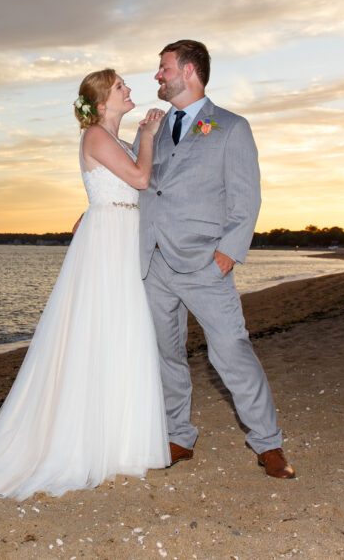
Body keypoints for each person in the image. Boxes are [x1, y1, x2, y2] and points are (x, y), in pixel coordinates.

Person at [0, 69, 169, 500]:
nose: (128, 90)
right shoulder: (95, 136)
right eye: (120, 87)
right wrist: (150, 133)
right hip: (109, 243)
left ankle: (122, 442)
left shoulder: (113, 140)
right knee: (101, 333)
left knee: (121, 334)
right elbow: (141, 179)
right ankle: (86, 442)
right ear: (102, 102)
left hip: (120, 236)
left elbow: (127, 186)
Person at [136, 39, 295, 479]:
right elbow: (138, 183)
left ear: (189, 71)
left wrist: (229, 251)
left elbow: (247, 197)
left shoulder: (232, 127)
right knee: (165, 354)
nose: (157, 76)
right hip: (152, 261)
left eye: (163, 67)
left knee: (232, 351)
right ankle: (177, 436)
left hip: (206, 261)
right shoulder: (148, 127)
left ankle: (268, 444)